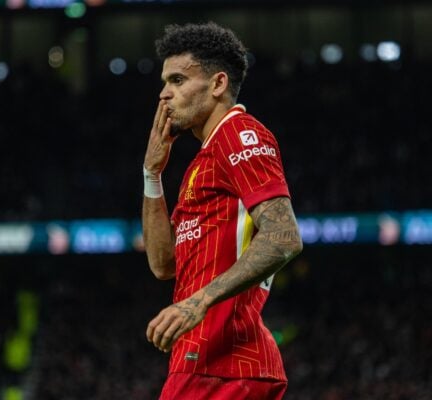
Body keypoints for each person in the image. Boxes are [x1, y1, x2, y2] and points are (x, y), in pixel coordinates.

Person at [142, 22, 303, 400]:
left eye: (178, 80)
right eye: (165, 82)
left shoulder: (239, 133)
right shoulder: (202, 163)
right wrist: (151, 174)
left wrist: (198, 302)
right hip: (207, 363)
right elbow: (164, 265)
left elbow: (283, 237)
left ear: (217, 84)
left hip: (222, 363)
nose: (165, 94)